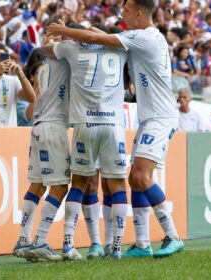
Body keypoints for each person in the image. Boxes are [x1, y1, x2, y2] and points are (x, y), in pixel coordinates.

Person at [47, 0, 184, 258]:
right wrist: (78, 32)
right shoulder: (142, 37)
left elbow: (93, 36)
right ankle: (142, 243)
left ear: (139, 13)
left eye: (127, 10)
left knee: (141, 178)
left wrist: (65, 32)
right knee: (134, 178)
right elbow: (103, 36)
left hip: (160, 117)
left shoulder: (144, 37)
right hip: (150, 117)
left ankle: (173, 235)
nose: (122, 14)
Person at [44, 22, 129, 260]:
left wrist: (66, 36)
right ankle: (115, 247)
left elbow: (46, 49)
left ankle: (69, 242)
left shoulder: (72, 48)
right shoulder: (120, 49)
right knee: (118, 186)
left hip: (84, 123)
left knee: (79, 184)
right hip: (113, 125)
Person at [13, 51, 71, 261]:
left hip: (37, 127)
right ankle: (40, 241)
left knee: (37, 186)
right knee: (60, 187)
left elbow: (30, 111)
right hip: (54, 128)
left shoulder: (42, 68)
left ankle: (24, 239)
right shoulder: (67, 64)